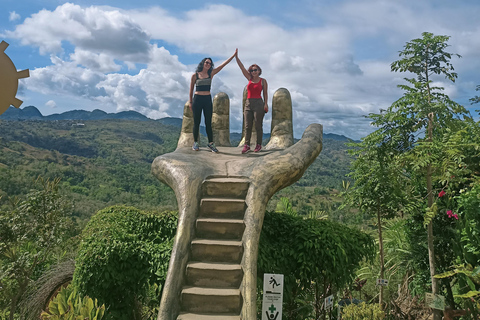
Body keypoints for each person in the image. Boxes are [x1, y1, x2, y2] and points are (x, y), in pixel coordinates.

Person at [188, 50, 237, 153]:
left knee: (208, 122)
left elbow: (223, 65)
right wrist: (190, 102)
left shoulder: (211, 74)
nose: (208, 64)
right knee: (196, 122)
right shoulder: (195, 75)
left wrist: (233, 56)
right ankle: (196, 143)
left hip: (207, 99)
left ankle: (211, 143)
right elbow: (191, 89)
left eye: (210, 63)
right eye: (206, 62)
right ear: (203, 63)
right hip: (197, 99)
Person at [234, 51, 268, 153]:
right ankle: (247, 145)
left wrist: (266, 104)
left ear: (259, 71)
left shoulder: (263, 81)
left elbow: (265, 93)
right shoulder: (249, 78)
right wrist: (236, 57)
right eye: (252, 70)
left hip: (258, 103)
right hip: (248, 103)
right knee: (247, 126)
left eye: (255, 70)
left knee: (258, 125)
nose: (254, 72)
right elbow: (242, 68)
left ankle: (258, 145)